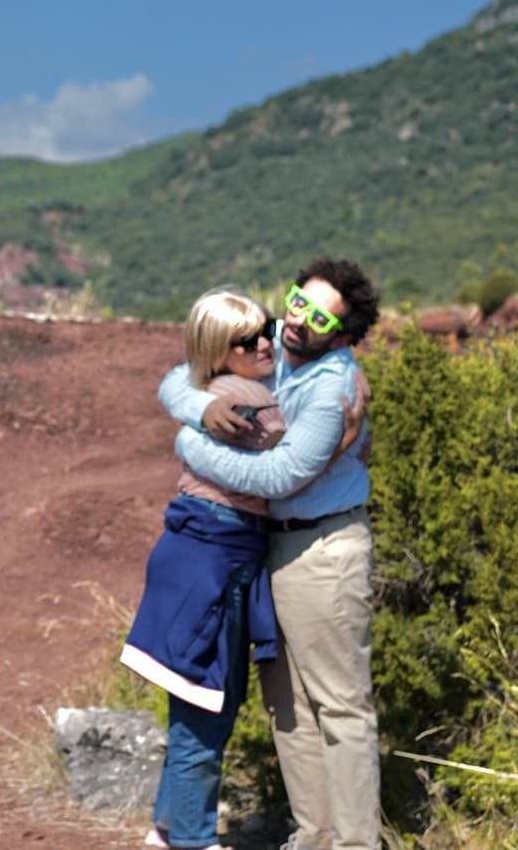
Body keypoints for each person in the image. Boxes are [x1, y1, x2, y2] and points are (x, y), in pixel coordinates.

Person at [158, 258, 381, 850]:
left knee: (340, 707)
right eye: (298, 303)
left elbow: (279, 476)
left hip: (322, 548)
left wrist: (190, 446)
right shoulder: (274, 349)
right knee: (288, 705)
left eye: (320, 318)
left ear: (344, 335)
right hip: (269, 548)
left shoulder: (334, 389)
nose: (299, 321)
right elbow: (179, 376)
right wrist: (201, 410)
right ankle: (313, 836)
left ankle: (356, 844)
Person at [121, 288, 286, 850]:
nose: (263, 343)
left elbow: (177, 380)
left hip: (196, 556)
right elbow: (293, 454)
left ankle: (168, 829)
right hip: (218, 563)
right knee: (205, 706)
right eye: (246, 340)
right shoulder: (247, 396)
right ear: (218, 351)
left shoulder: (211, 387)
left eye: (266, 328)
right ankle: (193, 839)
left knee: (194, 708)